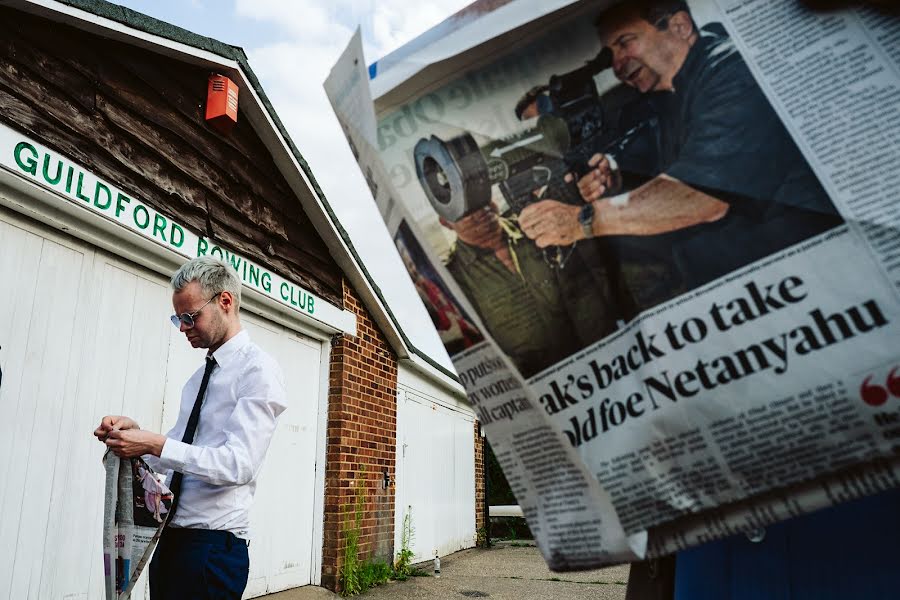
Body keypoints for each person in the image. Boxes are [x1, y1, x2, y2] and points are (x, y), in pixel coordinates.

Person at [519, 0, 842, 288]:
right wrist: (617, 173)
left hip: (808, 273)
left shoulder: (731, 69)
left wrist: (583, 220)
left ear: (680, 27)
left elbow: (702, 196)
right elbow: (653, 154)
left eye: (624, 43)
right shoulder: (665, 99)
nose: (617, 67)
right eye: (610, 57)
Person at [93, 256, 287, 600]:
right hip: (170, 540)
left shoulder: (258, 371)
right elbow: (180, 449)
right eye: (178, 318)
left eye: (189, 317)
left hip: (211, 551)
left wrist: (153, 444)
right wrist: (132, 437)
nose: (183, 327)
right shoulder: (198, 378)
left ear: (225, 301)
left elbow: (238, 465)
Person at [441, 202, 619, 378]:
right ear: (445, 222)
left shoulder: (542, 227)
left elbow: (589, 288)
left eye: (480, 198)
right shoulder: (452, 278)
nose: (481, 210)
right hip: (543, 383)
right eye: (465, 211)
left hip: (605, 359)